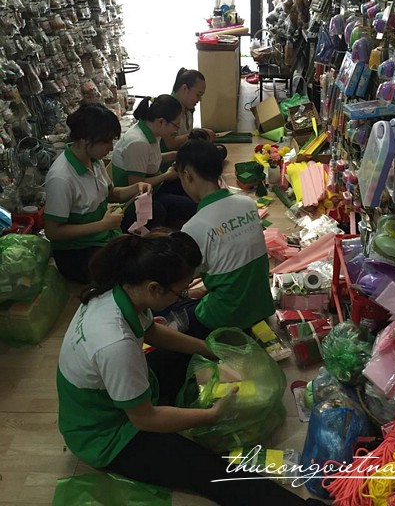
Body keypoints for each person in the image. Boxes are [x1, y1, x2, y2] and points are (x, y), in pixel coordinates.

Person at [56, 231, 324, 506]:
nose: (182, 297)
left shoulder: (120, 291)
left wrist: (207, 349)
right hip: (107, 434)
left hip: (118, 397)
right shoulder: (115, 343)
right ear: (154, 288)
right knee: (212, 471)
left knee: (189, 348)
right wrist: (211, 415)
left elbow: (152, 332)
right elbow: (144, 419)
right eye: (181, 292)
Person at [175, 139, 275, 338]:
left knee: (173, 313)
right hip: (262, 307)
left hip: (226, 318)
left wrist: (186, 293)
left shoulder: (193, 228)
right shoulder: (248, 204)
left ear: (187, 175)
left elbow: (180, 282)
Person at [44, 103, 152, 284]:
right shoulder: (61, 178)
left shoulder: (94, 161)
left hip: (103, 234)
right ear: (85, 140)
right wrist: (102, 225)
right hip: (76, 250)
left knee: (143, 255)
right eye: (106, 142)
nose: (110, 148)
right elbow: (53, 232)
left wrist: (137, 187)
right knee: (131, 273)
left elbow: (111, 194)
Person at [111, 94, 197, 229]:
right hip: (137, 198)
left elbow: (152, 160)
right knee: (187, 206)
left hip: (155, 186)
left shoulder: (152, 132)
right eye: (176, 125)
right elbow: (136, 185)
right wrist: (166, 175)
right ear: (161, 122)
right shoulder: (138, 143)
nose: (177, 129)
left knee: (191, 183)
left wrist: (177, 155)